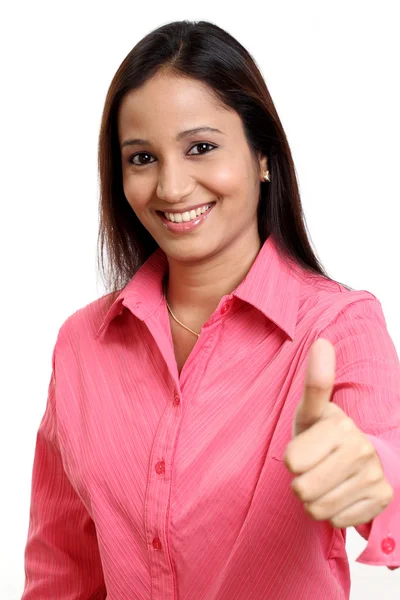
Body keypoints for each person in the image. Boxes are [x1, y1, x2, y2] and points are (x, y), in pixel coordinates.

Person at [21, 19, 400, 600]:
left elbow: (387, 457)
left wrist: (372, 473)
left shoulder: (336, 328)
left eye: (201, 147)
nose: (171, 187)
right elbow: (62, 573)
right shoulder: (82, 345)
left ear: (264, 156)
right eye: (142, 158)